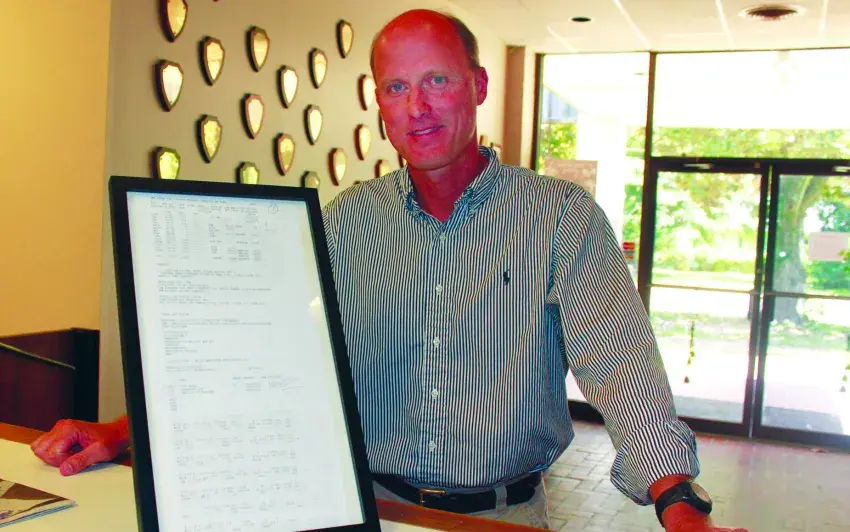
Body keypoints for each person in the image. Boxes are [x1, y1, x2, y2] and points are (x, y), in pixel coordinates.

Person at [31, 9, 749, 532]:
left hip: (504, 517)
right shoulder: (347, 221)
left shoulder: (560, 217)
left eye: (436, 80)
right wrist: (122, 432)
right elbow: (266, 352)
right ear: (379, 103)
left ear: (477, 85)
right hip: (366, 506)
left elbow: (620, 365)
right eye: (397, 88)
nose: (419, 107)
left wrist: (679, 504)